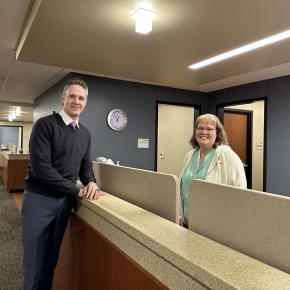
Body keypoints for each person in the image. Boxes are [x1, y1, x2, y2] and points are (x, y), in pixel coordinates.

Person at [21, 77, 106, 290]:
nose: (77, 101)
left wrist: (92, 183)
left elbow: (85, 166)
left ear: (85, 102)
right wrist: (76, 191)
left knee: (50, 263)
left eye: (81, 98)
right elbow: (42, 169)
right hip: (39, 200)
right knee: (34, 266)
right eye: (72, 96)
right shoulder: (45, 125)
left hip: (64, 203)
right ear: (63, 98)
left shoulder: (85, 133)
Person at [179, 114, 246, 227]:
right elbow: (183, 190)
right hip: (188, 223)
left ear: (217, 133)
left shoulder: (226, 155)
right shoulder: (190, 155)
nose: (203, 132)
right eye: (200, 128)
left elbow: (241, 192)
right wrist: (180, 214)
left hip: (215, 225)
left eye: (209, 129)